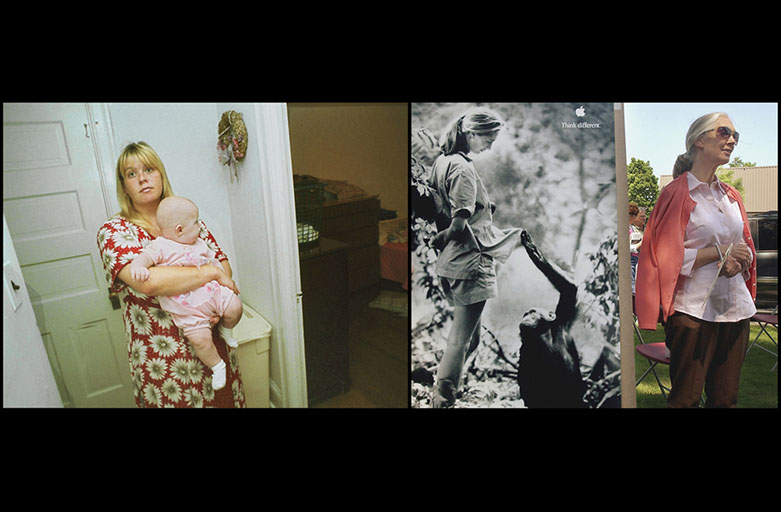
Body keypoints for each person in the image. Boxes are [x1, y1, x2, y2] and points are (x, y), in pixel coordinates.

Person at [97, 142, 247, 407]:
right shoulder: (114, 231)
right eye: (132, 174)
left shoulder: (185, 215)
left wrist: (216, 299)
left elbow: (222, 263)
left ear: (161, 174)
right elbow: (150, 283)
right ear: (124, 186)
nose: (142, 178)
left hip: (211, 342)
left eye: (148, 169)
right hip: (162, 358)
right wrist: (210, 273)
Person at [635, 113, 756, 408]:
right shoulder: (675, 193)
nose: (732, 140)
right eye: (724, 132)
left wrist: (740, 259)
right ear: (698, 140)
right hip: (692, 314)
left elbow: (747, 247)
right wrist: (720, 252)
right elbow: (662, 259)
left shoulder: (731, 196)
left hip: (735, 310)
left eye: (735, 136)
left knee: (726, 400)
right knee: (685, 400)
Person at [428, 107, 523, 408]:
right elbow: (457, 225)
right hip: (470, 261)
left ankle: (446, 384)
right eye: (488, 138)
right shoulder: (464, 169)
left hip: (452, 263)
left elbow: (439, 210)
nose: (490, 146)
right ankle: (442, 397)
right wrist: (442, 238)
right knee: (460, 339)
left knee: (472, 338)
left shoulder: (442, 162)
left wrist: (482, 208)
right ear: (470, 133)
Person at [129, 196, 243, 391]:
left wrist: (224, 279)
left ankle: (227, 329)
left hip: (212, 294)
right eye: (197, 222)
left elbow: (217, 263)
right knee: (200, 340)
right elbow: (145, 257)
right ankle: (217, 365)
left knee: (235, 307)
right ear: (180, 229)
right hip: (187, 309)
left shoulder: (199, 242)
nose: (200, 226)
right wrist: (138, 265)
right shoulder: (160, 245)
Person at [628, 203, 644, 294]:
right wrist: (641, 243)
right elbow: (626, 248)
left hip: (635, 258)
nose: (635, 218)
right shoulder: (624, 227)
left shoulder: (632, 228)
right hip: (630, 259)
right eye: (633, 215)